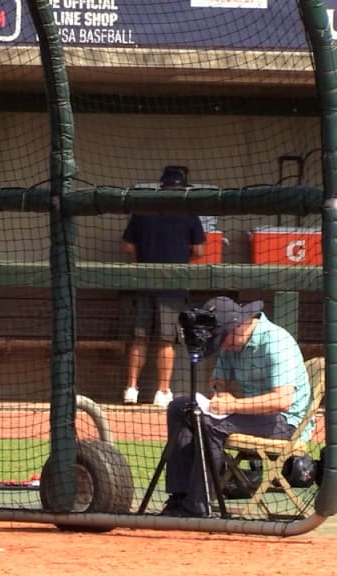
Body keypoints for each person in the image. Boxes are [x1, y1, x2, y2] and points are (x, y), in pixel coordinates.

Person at [162, 296, 312, 517]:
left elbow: (282, 401)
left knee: (209, 423)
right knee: (181, 407)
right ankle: (179, 497)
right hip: (248, 414)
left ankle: (198, 504)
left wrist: (234, 404)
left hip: (286, 424)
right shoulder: (233, 342)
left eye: (222, 338)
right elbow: (217, 381)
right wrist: (221, 397)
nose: (221, 345)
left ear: (238, 325)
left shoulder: (276, 342)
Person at [121, 166, 206, 407]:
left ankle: (131, 389)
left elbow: (127, 246)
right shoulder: (188, 213)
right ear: (182, 188)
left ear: (161, 186)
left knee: (140, 338)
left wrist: (143, 260)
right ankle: (162, 392)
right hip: (174, 284)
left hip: (145, 281)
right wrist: (180, 258)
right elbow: (200, 250)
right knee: (167, 341)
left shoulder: (142, 210)